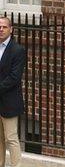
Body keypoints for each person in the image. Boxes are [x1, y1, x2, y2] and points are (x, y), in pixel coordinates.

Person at [0, 17, 26, 167]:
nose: (1, 29)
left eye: (4, 27)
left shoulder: (17, 50)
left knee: (11, 138)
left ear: (11, 29)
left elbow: (14, 77)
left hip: (10, 101)